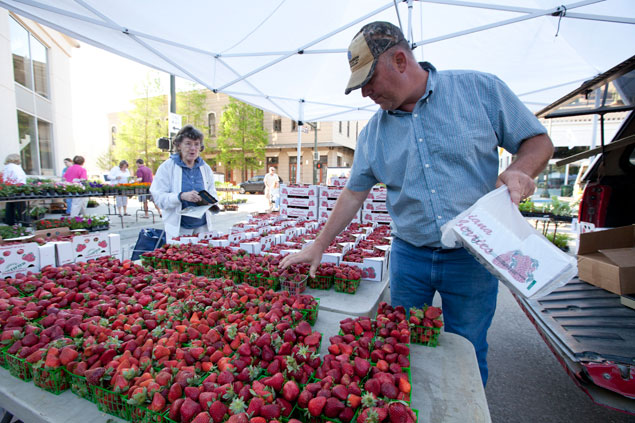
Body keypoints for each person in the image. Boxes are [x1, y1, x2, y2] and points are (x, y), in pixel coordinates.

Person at [280, 21, 554, 386]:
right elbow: (353, 193)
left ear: (399, 59)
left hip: (474, 254)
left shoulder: (479, 90)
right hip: (410, 255)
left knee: (468, 348)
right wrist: (318, 245)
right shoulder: (373, 133)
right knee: (400, 345)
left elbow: (537, 140)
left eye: (369, 81)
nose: (365, 95)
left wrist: (521, 170)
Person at [150, 125, 217, 242]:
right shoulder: (167, 167)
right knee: (181, 257)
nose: (193, 148)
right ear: (179, 145)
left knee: (203, 257)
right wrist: (180, 196)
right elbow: (159, 197)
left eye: (197, 144)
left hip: (202, 227)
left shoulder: (205, 168)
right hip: (179, 228)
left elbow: (213, 192)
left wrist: (209, 201)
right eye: (188, 143)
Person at [2, 154, 27, 225]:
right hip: (18, 187)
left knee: (10, 205)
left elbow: (4, 179)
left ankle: (10, 223)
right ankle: (24, 223)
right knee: (21, 206)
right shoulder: (16, 167)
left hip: (8, 188)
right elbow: (19, 178)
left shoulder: (6, 167)